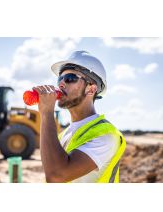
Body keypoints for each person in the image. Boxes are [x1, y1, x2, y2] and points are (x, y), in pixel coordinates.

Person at [33, 50, 126, 183]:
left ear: (91, 89)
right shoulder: (64, 134)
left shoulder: (106, 136)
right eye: (60, 78)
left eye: (70, 78)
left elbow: (56, 175)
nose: (61, 84)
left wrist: (47, 113)